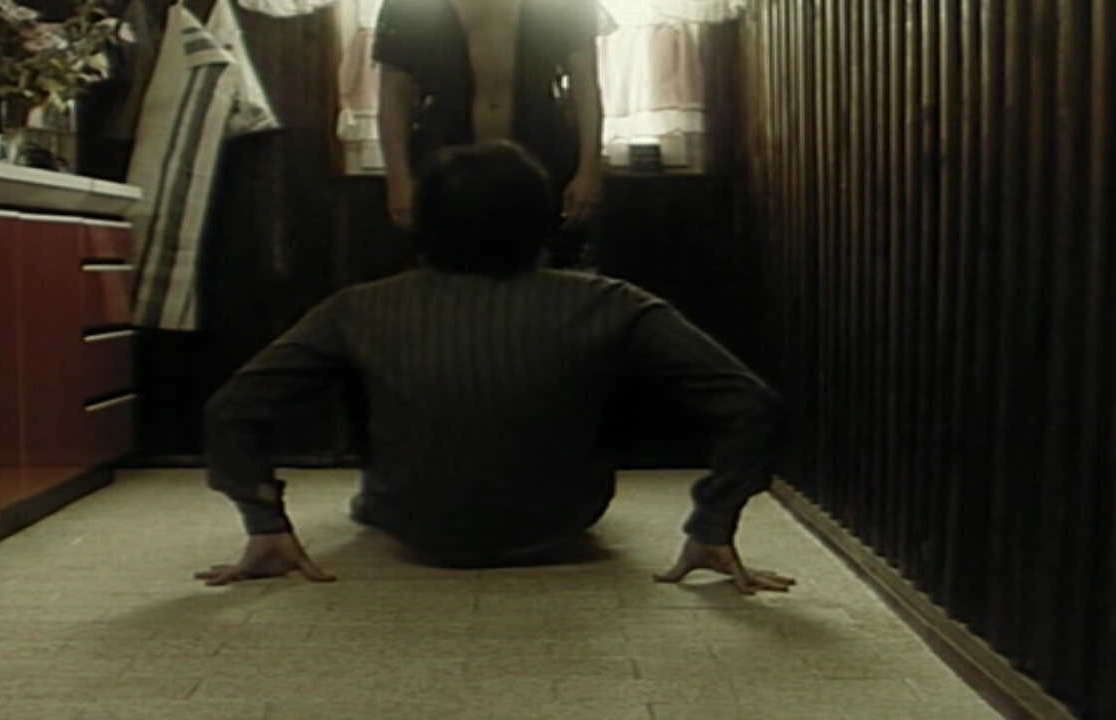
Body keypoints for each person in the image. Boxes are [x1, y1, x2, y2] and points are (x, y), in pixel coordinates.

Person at [196, 141, 794, 594]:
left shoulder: (359, 308)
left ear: (423, 226)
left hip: (411, 523)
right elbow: (750, 403)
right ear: (542, 222)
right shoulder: (613, 302)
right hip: (561, 522)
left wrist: (264, 521)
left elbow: (231, 409)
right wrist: (712, 522)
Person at [374, 0, 610, 268]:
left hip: (541, 154)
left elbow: (585, 87)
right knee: (448, 273)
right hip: (447, 161)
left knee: (547, 274)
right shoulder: (408, 6)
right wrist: (399, 179)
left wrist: (589, 170)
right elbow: (394, 94)